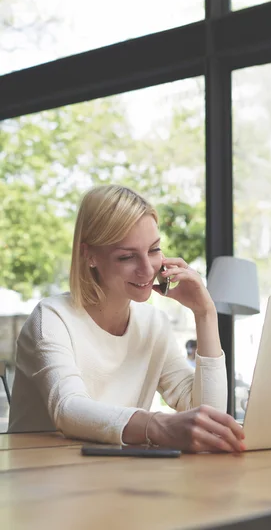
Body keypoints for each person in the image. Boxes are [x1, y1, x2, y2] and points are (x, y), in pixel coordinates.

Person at [8, 185, 245, 453]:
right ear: (90, 256)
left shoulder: (153, 324)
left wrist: (205, 314)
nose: (147, 269)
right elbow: (68, 409)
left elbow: (208, 419)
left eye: (154, 250)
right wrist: (156, 425)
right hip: (44, 478)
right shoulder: (51, 319)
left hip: (116, 478)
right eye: (127, 256)